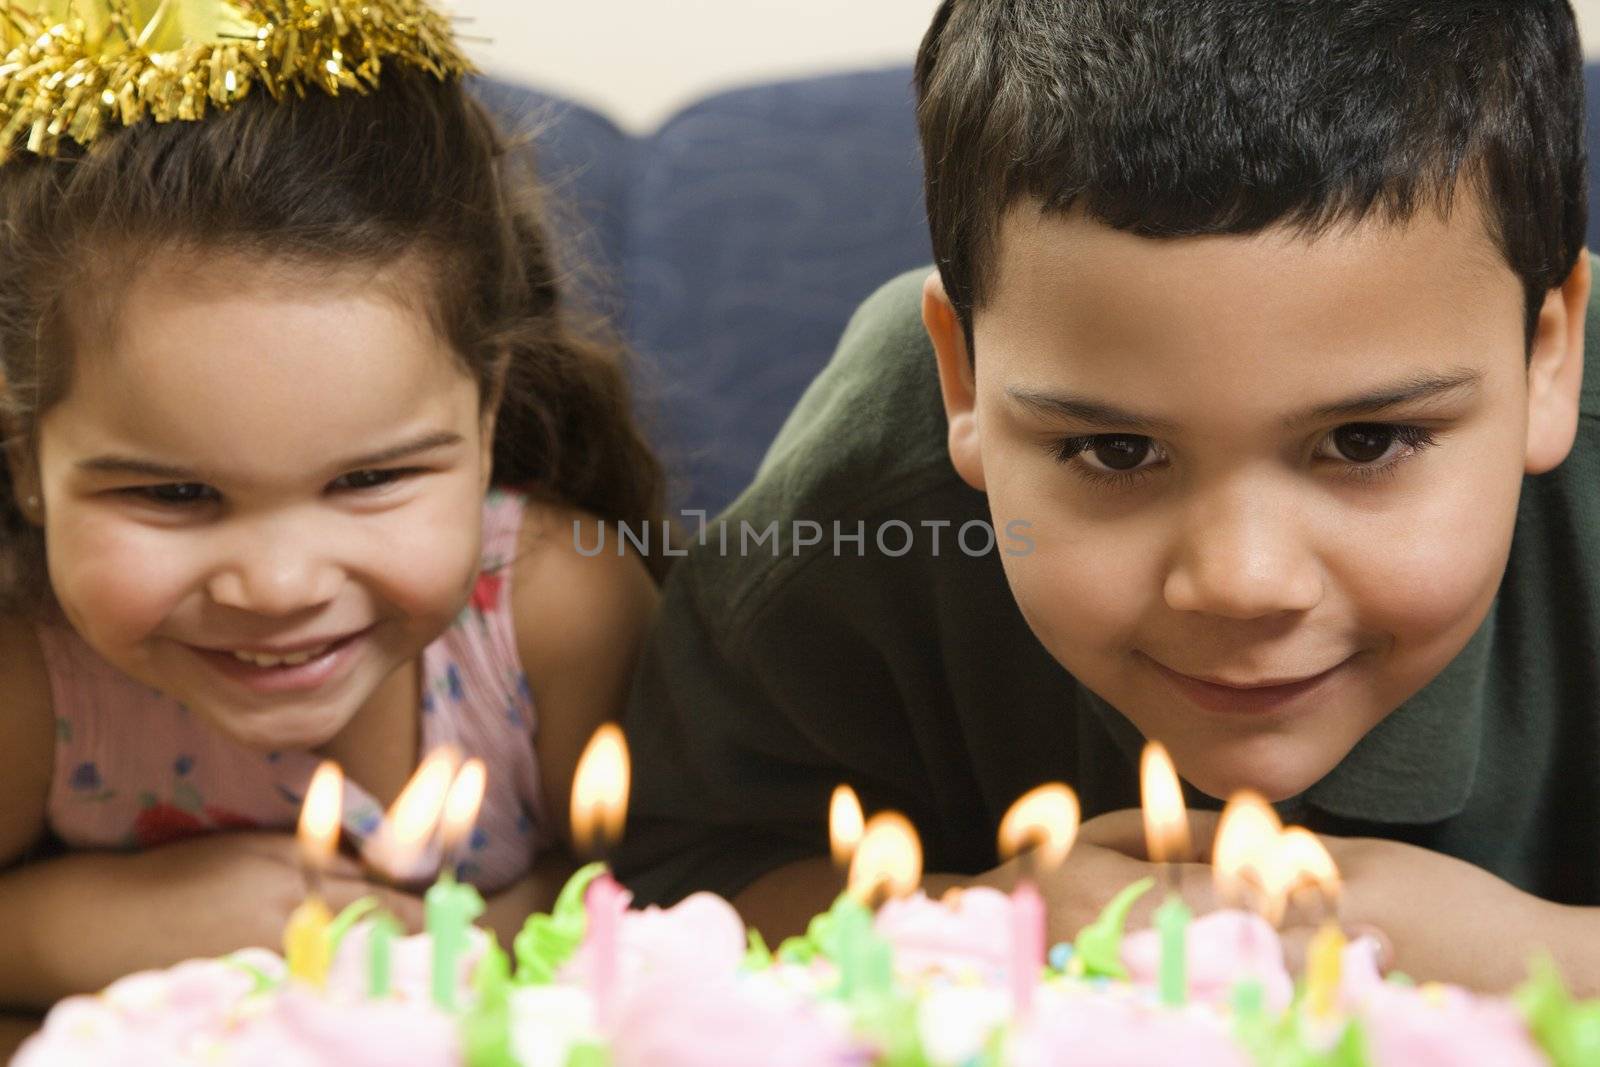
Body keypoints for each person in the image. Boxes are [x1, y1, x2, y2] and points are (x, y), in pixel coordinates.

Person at [616, 0, 1600, 994]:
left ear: (1547, 353)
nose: (1239, 581)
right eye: (1118, 451)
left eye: (1365, 440)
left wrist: (1542, 955)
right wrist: (960, 923)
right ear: (961, 377)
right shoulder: (856, 509)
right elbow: (666, 882)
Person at [0, 0, 660, 1013]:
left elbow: (688, 895)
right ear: (24, 460)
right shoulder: (33, 684)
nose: (279, 584)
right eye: (175, 493)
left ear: (485, 414)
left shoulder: (554, 612)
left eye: (368, 479)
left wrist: (465, 943)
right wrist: (73, 926)